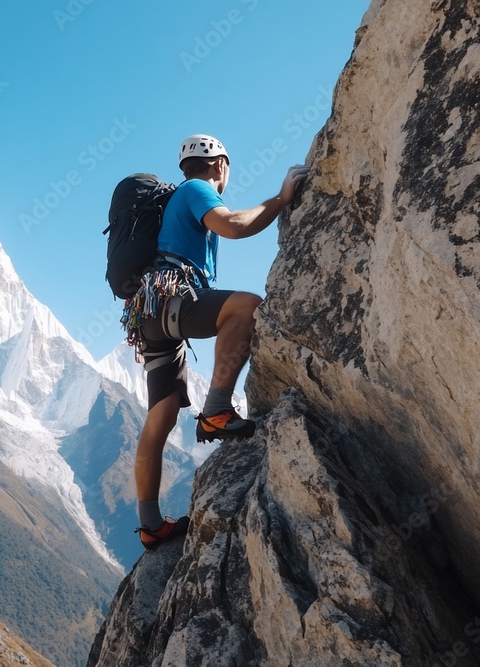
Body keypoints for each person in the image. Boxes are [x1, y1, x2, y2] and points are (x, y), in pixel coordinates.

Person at [129, 134, 310, 549]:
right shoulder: (197, 190)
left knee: (162, 414)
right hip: (172, 297)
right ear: (219, 164)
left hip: (150, 313)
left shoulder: (176, 196)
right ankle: (216, 410)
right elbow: (233, 226)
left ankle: (151, 524)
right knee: (245, 307)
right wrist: (281, 199)